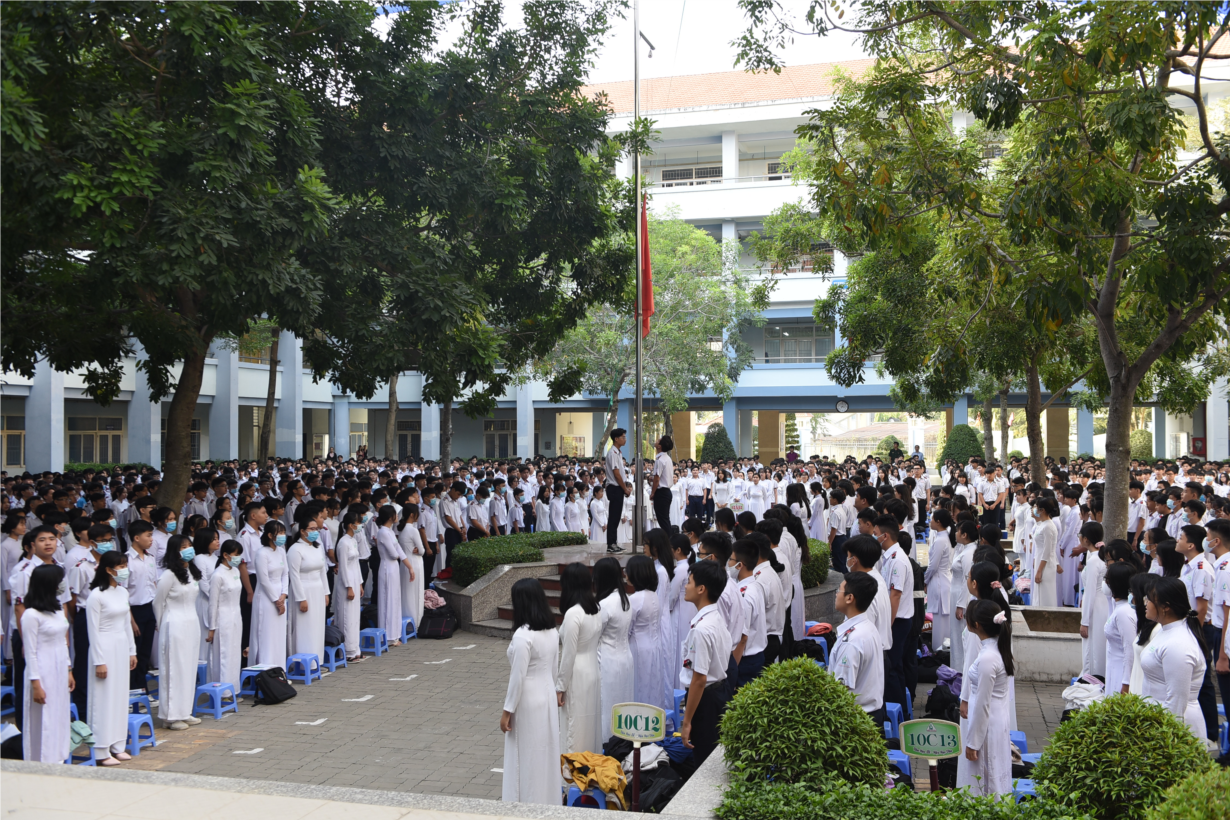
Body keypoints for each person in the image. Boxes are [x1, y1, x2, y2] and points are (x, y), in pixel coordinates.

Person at [501, 579, 560, 806]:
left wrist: (507, 710)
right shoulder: (552, 631)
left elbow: (517, 677)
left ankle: (523, 803)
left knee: (525, 756)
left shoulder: (522, 636)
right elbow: (554, 668)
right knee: (545, 753)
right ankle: (547, 801)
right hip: (547, 694)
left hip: (527, 700)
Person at [1141, 576, 1210, 740]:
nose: (1145, 603)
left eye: (1149, 599)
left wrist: (1167, 741)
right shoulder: (1165, 630)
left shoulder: (1178, 644)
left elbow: (1176, 702)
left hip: (1173, 730)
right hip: (1158, 721)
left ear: (1165, 607)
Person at [958, 598, 1014, 796]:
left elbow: (983, 704)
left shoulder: (988, 657)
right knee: (992, 776)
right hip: (993, 721)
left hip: (987, 726)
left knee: (985, 780)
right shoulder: (995, 648)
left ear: (977, 625)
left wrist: (973, 742)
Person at [678, 559, 731, 764]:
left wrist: (687, 722)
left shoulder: (701, 629)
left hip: (706, 700)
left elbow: (699, 680)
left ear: (701, 589)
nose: (686, 586)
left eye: (689, 582)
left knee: (705, 759)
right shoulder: (715, 618)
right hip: (718, 692)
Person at [86, 550, 137, 765]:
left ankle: (118, 745)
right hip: (104, 647)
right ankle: (101, 749)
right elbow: (93, 631)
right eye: (121, 566)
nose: (125, 570)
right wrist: (99, 661)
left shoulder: (123, 592)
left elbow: (126, 624)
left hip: (121, 645)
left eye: (126, 565)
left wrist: (132, 651)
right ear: (108, 569)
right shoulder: (96, 595)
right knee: (103, 698)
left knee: (119, 696)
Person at [20, 563, 73, 763]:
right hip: (42, 670)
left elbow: (63, 642)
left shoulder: (57, 610)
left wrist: (68, 669)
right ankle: (41, 761)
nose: (62, 585)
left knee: (59, 714)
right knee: (44, 718)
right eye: (59, 581)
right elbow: (30, 652)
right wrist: (36, 684)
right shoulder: (31, 615)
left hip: (59, 668)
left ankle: (59, 758)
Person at [154, 536, 202, 731]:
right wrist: (161, 625)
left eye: (190, 545)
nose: (188, 549)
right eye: (183, 547)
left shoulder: (191, 571)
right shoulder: (169, 575)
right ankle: (171, 716)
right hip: (174, 624)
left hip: (191, 623)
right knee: (174, 669)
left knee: (188, 668)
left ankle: (184, 711)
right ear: (175, 551)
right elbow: (158, 602)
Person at [555, 563, 602, 755]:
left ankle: (572, 769)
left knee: (574, 724)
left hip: (577, 672)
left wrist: (560, 687)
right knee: (589, 723)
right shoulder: (595, 608)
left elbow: (568, 655)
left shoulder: (573, 613)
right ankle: (590, 762)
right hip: (593, 669)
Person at [829, 570, 885, 722]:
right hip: (871, 714)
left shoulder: (852, 640)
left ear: (849, 598)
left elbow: (840, 689)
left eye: (839, 590)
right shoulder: (868, 627)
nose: (836, 594)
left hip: (856, 720)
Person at [875, 514, 916, 716]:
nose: (874, 537)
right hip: (896, 620)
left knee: (890, 668)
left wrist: (887, 625)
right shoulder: (889, 557)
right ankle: (902, 713)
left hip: (897, 621)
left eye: (876, 534)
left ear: (885, 536)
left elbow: (895, 595)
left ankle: (895, 713)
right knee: (895, 666)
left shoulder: (897, 559)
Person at [593, 556, 634, 740]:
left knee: (607, 706)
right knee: (623, 702)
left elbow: (595, 633)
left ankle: (606, 743)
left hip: (607, 660)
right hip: (625, 657)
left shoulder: (604, 604)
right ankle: (622, 741)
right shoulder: (626, 600)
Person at [626, 555, 666, 712]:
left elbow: (627, 628)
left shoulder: (635, 599)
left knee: (639, 687)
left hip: (638, 648)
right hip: (654, 645)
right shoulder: (653, 594)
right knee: (652, 686)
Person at [287, 516, 329, 662]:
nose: (315, 532)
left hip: (318, 589)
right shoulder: (295, 549)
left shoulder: (317, 547)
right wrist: (301, 598)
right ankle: (302, 662)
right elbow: (294, 575)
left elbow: (322, 571)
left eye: (316, 529)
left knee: (317, 626)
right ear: (303, 531)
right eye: (312, 529)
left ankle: (317, 660)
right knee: (305, 626)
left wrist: (326, 592)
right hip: (304, 589)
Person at [206, 540, 244, 697]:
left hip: (236, 616)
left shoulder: (235, 571)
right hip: (223, 618)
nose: (238, 558)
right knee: (224, 655)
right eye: (236, 554)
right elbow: (212, 603)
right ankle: (222, 693)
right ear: (225, 555)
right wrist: (212, 627)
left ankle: (233, 689)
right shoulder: (217, 575)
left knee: (234, 654)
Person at [646, 529, 678, 711]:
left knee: (662, 669)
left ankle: (664, 713)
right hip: (657, 622)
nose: (643, 547)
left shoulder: (661, 572)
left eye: (646, 544)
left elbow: (656, 603)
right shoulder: (656, 567)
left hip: (659, 623)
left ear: (655, 547)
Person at [124, 520, 158, 691]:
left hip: (149, 608)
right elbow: (123, 592)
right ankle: (132, 689)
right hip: (134, 611)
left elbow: (154, 585)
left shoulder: (150, 558)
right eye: (148, 535)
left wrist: (157, 613)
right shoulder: (127, 560)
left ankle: (143, 688)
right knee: (134, 652)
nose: (151, 539)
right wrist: (131, 620)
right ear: (136, 538)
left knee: (146, 651)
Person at [730, 538, 768, 687]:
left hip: (744, 660)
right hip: (755, 656)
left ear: (740, 565)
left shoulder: (744, 594)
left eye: (731, 560)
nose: (728, 564)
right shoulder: (755, 585)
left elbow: (742, 637)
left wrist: (732, 670)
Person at [373, 505, 413, 646]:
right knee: (387, 600)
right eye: (395, 514)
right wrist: (398, 555)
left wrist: (409, 567)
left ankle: (395, 634)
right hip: (387, 568)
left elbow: (399, 551)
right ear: (390, 517)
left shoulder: (390, 531)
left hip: (394, 568)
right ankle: (388, 636)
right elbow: (393, 554)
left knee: (394, 599)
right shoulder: (383, 532)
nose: (397, 517)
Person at [252, 521, 289, 670]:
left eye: (283, 533)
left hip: (280, 594)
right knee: (267, 633)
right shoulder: (262, 553)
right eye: (279, 533)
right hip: (266, 597)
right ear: (270, 535)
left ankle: (280, 669)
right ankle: (266, 670)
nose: (283, 536)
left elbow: (285, 574)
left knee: (278, 634)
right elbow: (264, 580)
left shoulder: (281, 551)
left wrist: (284, 594)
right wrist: (276, 600)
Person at [333, 510, 365, 662]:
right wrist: (349, 587)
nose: (360, 525)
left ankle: (355, 648)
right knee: (346, 616)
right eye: (358, 523)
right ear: (351, 525)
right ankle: (347, 651)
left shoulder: (353, 540)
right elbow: (343, 567)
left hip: (354, 579)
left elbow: (356, 564)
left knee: (355, 617)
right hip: (346, 582)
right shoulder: (343, 542)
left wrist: (359, 584)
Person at [1078, 522, 1109, 677]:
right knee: (1098, 644)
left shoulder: (1093, 561)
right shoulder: (1100, 557)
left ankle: (1091, 676)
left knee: (1092, 646)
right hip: (1102, 604)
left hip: (1095, 605)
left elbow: (1090, 591)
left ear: (1086, 539)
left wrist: (1084, 622)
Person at [1104, 561, 1139, 695]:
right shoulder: (1119, 607)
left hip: (1121, 673)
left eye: (1107, 580)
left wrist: (1126, 684)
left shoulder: (1124, 612)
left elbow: (1129, 649)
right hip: (1113, 668)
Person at [925, 509, 954, 651]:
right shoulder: (945, 537)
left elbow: (933, 566)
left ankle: (939, 651)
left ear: (938, 522)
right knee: (943, 621)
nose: (930, 522)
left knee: (940, 623)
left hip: (939, 581)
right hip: (945, 579)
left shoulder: (941, 540)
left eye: (932, 519)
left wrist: (924, 581)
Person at [397, 503, 425, 629]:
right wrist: (418, 550)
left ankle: (406, 622)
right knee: (416, 593)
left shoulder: (402, 529)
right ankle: (416, 623)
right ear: (412, 515)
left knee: (406, 593)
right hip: (415, 563)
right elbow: (422, 550)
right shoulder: (413, 530)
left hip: (404, 564)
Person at [604, 429, 632, 553]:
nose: (625, 439)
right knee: (614, 517)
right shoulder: (613, 453)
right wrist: (624, 488)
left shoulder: (618, 452)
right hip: (615, 487)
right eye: (623, 437)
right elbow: (616, 474)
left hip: (618, 487)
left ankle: (613, 542)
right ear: (616, 439)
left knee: (616, 517)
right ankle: (611, 544)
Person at [1030, 497, 1060, 608]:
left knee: (1045, 593)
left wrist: (1039, 570)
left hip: (1045, 564)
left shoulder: (1048, 526)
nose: (1034, 509)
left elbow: (1047, 551)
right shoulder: (1042, 524)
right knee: (1038, 593)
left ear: (1042, 510)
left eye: (1037, 507)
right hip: (1039, 560)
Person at [651, 436, 675, 533]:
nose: (656, 441)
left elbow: (657, 478)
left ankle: (668, 539)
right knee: (665, 519)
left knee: (663, 520)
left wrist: (653, 492)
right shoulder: (667, 458)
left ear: (659, 446)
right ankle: (668, 539)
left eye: (658, 440)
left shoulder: (660, 460)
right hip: (666, 492)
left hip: (661, 492)